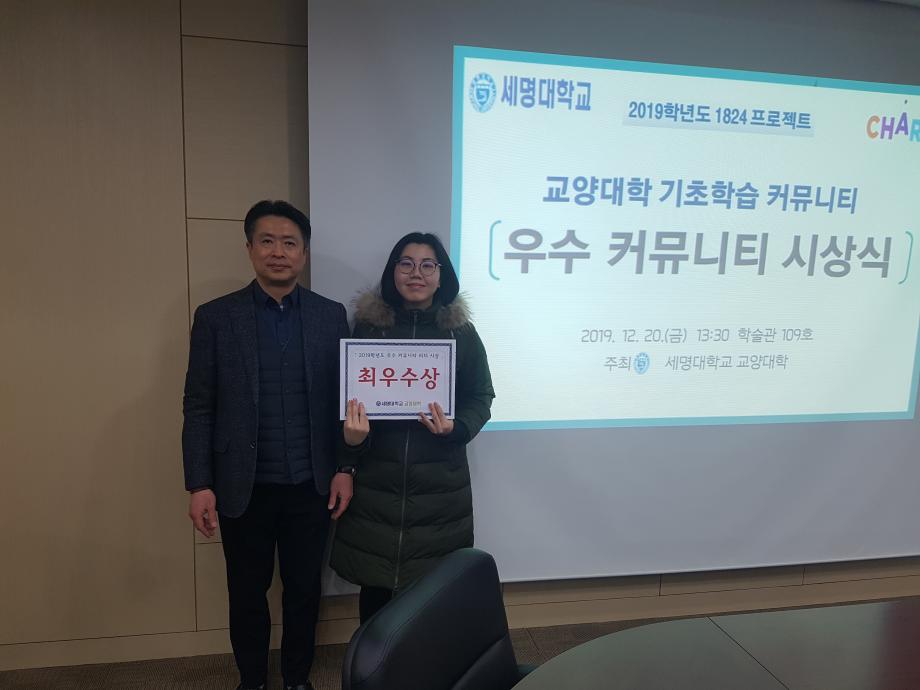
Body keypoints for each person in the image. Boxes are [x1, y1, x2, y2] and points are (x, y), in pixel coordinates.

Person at [182, 200, 356, 690]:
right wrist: (199, 483)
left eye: (289, 243)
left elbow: (347, 402)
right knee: (246, 593)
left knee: (304, 591)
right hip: (244, 487)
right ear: (250, 249)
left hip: (311, 485)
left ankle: (297, 679)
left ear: (303, 254)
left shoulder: (329, 316)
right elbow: (198, 405)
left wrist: (346, 468)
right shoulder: (217, 318)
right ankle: (252, 680)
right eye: (267, 241)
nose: (278, 252)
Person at [331, 232, 495, 623]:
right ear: (393, 272)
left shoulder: (461, 333)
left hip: (440, 488)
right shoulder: (368, 331)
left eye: (427, 265)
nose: (416, 273)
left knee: (431, 603)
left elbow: (481, 395)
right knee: (376, 594)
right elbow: (344, 401)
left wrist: (456, 427)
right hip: (376, 484)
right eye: (406, 263)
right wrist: (349, 450)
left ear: (441, 276)